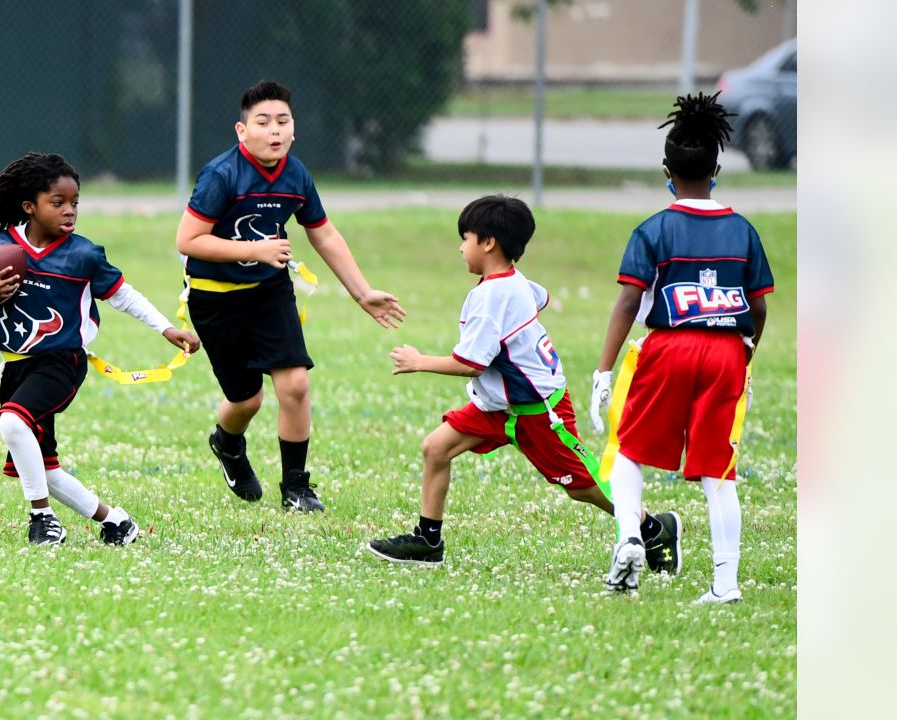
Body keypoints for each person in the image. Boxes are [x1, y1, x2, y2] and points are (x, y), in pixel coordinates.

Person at [367, 195, 679, 569]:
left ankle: (652, 529)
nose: (460, 247)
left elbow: (470, 363)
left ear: (488, 243)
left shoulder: (491, 297)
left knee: (583, 487)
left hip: (538, 412)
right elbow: (540, 297)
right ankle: (427, 542)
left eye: (465, 238)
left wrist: (420, 361)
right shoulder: (510, 282)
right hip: (497, 406)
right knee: (436, 448)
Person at [0, 152, 200, 546]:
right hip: (16, 366)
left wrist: (166, 327)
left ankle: (42, 518)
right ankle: (116, 521)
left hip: (61, 361)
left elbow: (123, 296)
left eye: (75, 202)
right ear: (29, 206)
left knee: (12, 423)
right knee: (44, 469)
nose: (69, 211)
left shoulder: (82, 255)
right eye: (57, 203)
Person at [175, 80, 406, 513]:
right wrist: (254, 250)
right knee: (247, 399)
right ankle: (227, 443)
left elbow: (325, 234)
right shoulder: (221, 175)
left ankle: (296, 489)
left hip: (269, 291)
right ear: (242, 131)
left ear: (293, 129)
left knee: (295, 386)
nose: (274, 130)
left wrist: (362, 292)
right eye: (262, 122)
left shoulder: (296, 175)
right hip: (215, 297)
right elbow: (188, 239)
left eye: (282, 121)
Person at [590, 92, 773, 603]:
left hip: (668, 348)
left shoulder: (654, 229)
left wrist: (604, 371)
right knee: (718, 470)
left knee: (629, 448)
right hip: (727, 352)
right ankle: (726, 584)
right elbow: (758, 309)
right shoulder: (743, 231)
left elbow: (629, 303)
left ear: (666, 172)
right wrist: (746, 355)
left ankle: (629, 535)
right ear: (716, 171)